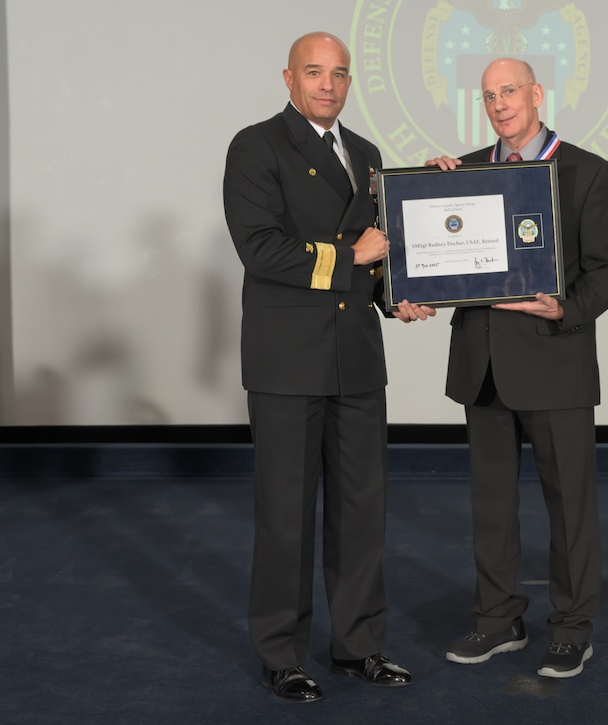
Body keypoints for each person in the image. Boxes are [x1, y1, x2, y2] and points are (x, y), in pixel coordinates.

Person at [222, 31, 433, 703]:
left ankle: (360, 644)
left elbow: (373, 265)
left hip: (355, 361)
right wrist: (355, 258)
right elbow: (262, 251)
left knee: (362, 512)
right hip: (287, 363)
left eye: (339, 74)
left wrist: (396, 298)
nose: (327, 84)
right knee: (287, 514)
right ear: (288, 77)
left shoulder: (366, 154)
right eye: (314, 72)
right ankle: (281, 653)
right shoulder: (256, 146)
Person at [427, 58, 608, 679]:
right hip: (482, 365)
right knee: (491, 506)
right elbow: (441, 256)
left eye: (510, 91)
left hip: (554, 361)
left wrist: (565, 306)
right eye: (489, 95)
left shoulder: (589, 171)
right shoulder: (462, 171)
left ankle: (571, 628)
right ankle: (497, 619)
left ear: (537, 94)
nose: (499, 103)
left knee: (570, 506)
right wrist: (428, 195)